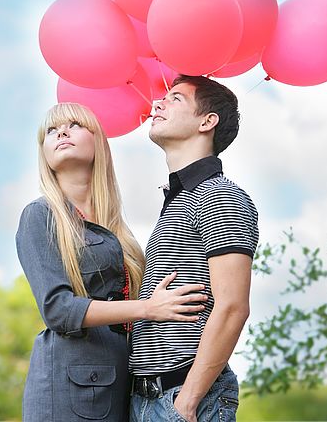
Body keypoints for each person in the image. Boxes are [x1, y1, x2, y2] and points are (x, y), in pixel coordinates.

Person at [16, 102, 207, 422]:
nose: (61, 132)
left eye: (74, 125)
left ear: (98, 142)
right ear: (44, 153)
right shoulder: (41, 215)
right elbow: (58, 309)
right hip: (69, 388)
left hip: (121, 384)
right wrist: (148, 308)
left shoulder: (119, 231)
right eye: (51, 131)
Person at [129, 75, 259, 422]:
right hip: (146, 400)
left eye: (175, 99)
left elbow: (233, 306)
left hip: (183, 398)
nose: (157, 104)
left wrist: (187, 401)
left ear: (207, 121)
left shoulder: (220, 195)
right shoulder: (178, 200)